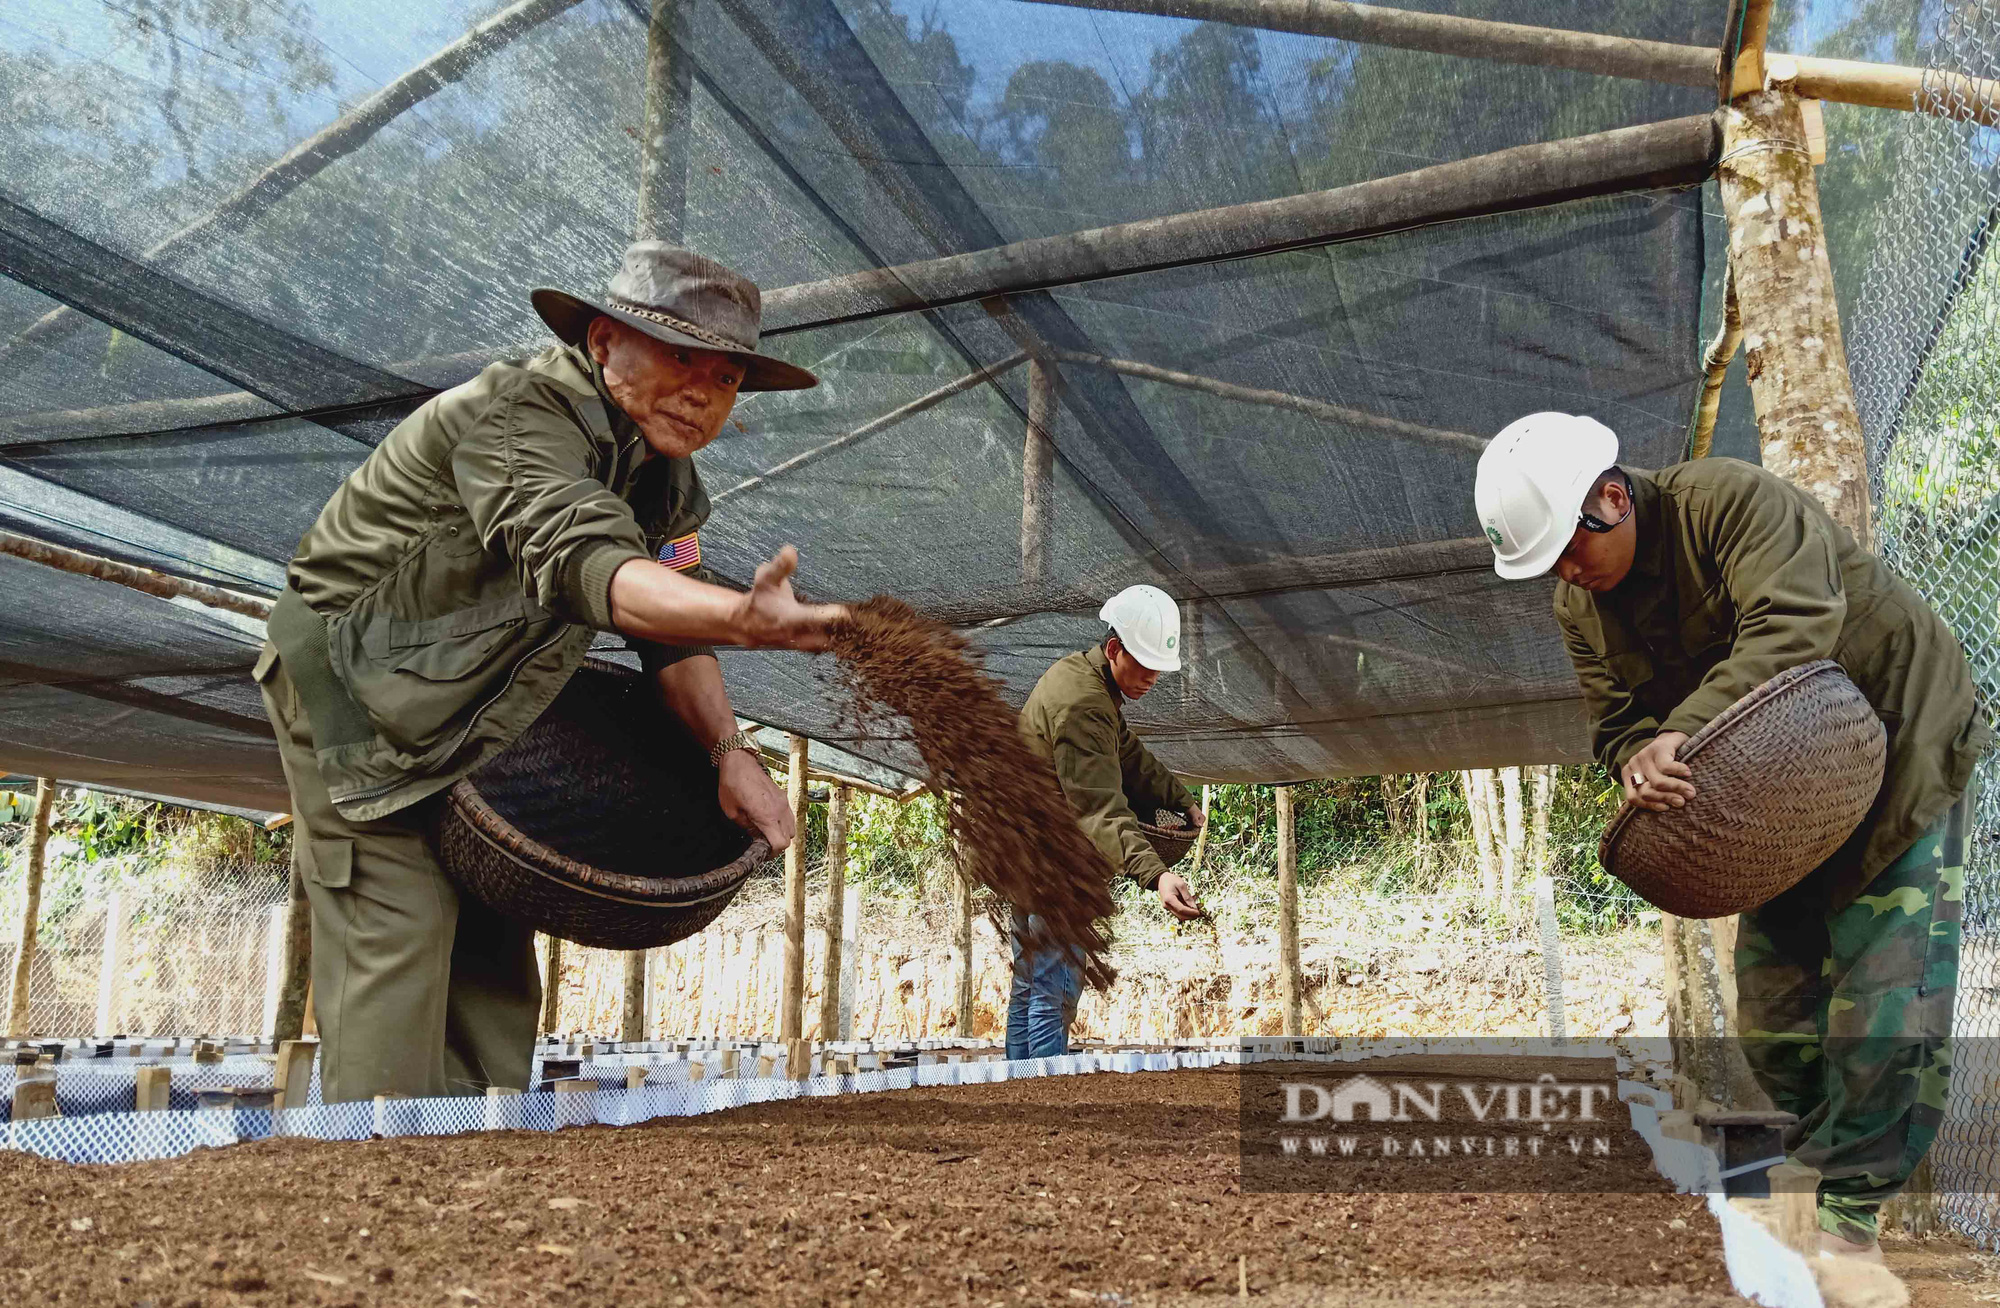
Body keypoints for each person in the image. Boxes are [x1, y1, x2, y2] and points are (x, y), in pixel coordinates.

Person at [257, 243, 845, 1103]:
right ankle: (374, 1182)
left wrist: (731, 751)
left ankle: (479, 1168)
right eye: (682, 356)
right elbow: (580, 555)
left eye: (725, 378)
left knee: (496, 935)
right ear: (604, 341)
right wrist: (740, 616)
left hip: (470, 703)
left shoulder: (663, 475)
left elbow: (670, 637)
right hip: (353, 688)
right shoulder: (516, 413)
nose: (702, 391)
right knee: (400, 924)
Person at [1475, 412, 1990, 1261]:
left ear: (1612, 498)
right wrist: (1636, 755)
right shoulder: (1580, 605)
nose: (1567, 574)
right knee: (1774, 1014)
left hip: (1897, 739)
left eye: (1571, 549)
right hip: (1767, 795)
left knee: (1885, 994)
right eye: (1548, 565)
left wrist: (1682, 728)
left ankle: (1847, 1214)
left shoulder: (1727, 501)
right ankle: (1816, 1169)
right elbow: (1614, 724)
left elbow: (1792, 627)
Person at [1010, 584, 1207, 1059]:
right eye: (1145, 664)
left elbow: (1127, 755)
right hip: (1051, 862)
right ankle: (1042, 1094)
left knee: (1033, 979)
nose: (1152, 678)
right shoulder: (1082, 704)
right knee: (1052, 985)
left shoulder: (1085, 679)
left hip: (1026, 852)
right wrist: (1156, 874)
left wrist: (1180, 800)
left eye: (1159, 669)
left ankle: (1015, 1091)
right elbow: (1098, 807)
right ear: (1115, 648)